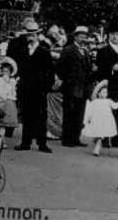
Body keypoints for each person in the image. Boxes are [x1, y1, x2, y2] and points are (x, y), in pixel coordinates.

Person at [15, 24, 55, 153]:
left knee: (41, 116)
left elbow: (50, 71)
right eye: (28, 35)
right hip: (26, 88)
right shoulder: (23, 51)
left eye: (32, 35)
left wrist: (46, 87)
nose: (30, 38)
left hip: (39, 89)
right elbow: (20, 69)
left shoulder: (44, 51)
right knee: (26, 115)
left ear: (38, 36)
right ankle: (25, 142)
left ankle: (42, 143)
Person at [57, 26, 92, 147]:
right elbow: (60, 67)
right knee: (69, 114)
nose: (83, 38)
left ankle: (76, 138)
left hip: (82, 88)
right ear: (75, 37)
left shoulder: (86, 51)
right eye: (81, 36)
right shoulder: (68, 50)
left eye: (85, 36)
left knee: (79, 114)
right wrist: (67, 79)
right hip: (71, 87)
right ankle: (67, 139)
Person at [84, 80, 118, 156]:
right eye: (103, 92)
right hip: (97, 120)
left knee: (101, 135)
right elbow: (91, 110)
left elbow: (115, 106)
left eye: (106, 92)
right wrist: (89, 118)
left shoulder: (108, 101)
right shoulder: (95, 101)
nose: (105, 94)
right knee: (98, 134)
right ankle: (97, 142)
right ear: (98, 94)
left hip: (105, 121)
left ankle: (97, 148)